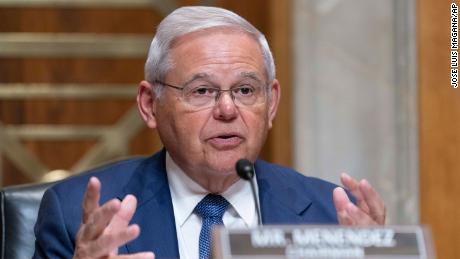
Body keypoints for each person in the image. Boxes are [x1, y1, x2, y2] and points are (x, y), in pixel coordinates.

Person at [33, 6, 385, 259]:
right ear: (149, 104)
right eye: (201, 91)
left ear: (272, 103)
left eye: (246, 90)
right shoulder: (74, 216)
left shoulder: (334, 217)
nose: (228, 110)